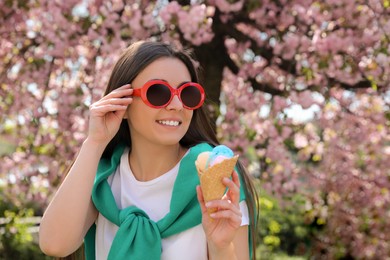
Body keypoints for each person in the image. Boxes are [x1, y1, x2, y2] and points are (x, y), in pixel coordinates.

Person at [39, 40, 258, 260]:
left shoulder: (214, 173)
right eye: (158, 92)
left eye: (187, 93)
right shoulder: (103, 178)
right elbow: (54, 244)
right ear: (122, 103)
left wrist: (220, 246)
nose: (176, 105)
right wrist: (95, 142)